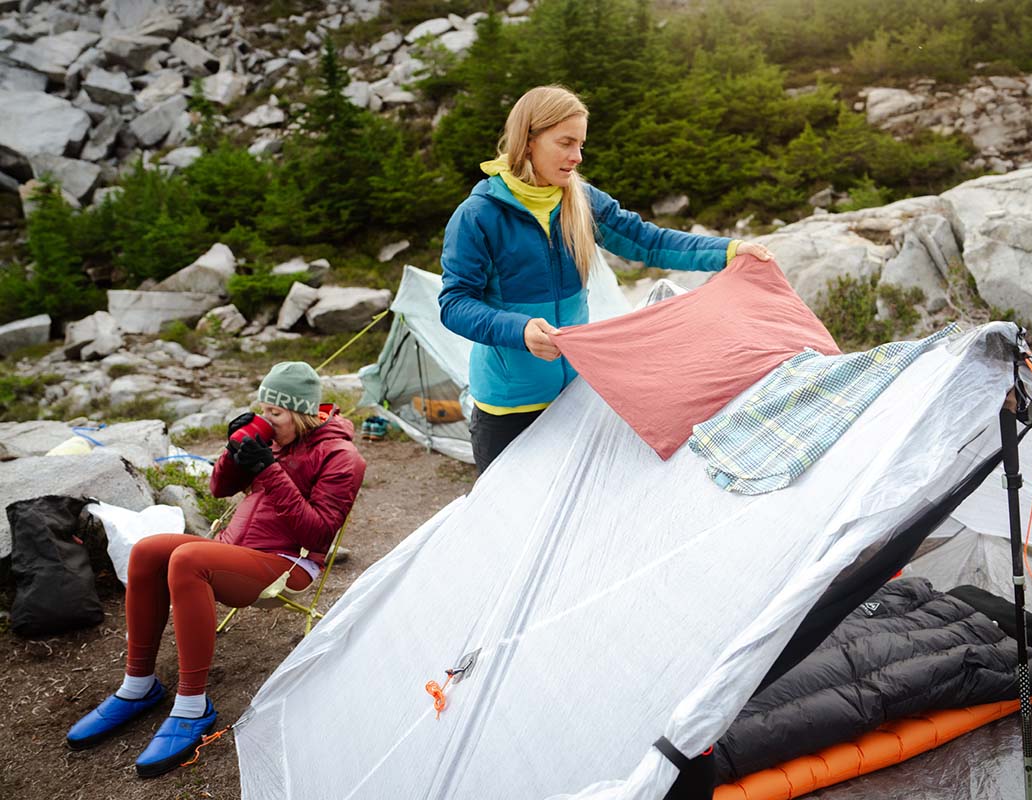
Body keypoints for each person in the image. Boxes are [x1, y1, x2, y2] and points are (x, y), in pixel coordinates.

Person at [439, 84, 774, 474]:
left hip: (576, 396)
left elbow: (648, 242)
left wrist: (728, 251)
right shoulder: (479, 215)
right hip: (509, 407)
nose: (576, 157)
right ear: (528, 139)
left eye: (580, 145)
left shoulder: (581, 199)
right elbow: (455, 304)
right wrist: (520, 329)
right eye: (565, 143)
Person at [65, 362, 366, 778]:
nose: (266, 419)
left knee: (190, 559)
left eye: (275, 413)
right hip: (234, 549)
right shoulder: (275, 440)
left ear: (300, 413)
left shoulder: (341, 456)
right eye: (263, 409)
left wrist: (269, 470)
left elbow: (317, 533)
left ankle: (192, 707)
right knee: (147, 551)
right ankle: (138, 687)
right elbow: (218, 489)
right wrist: (234, 449)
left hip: (287, 563)